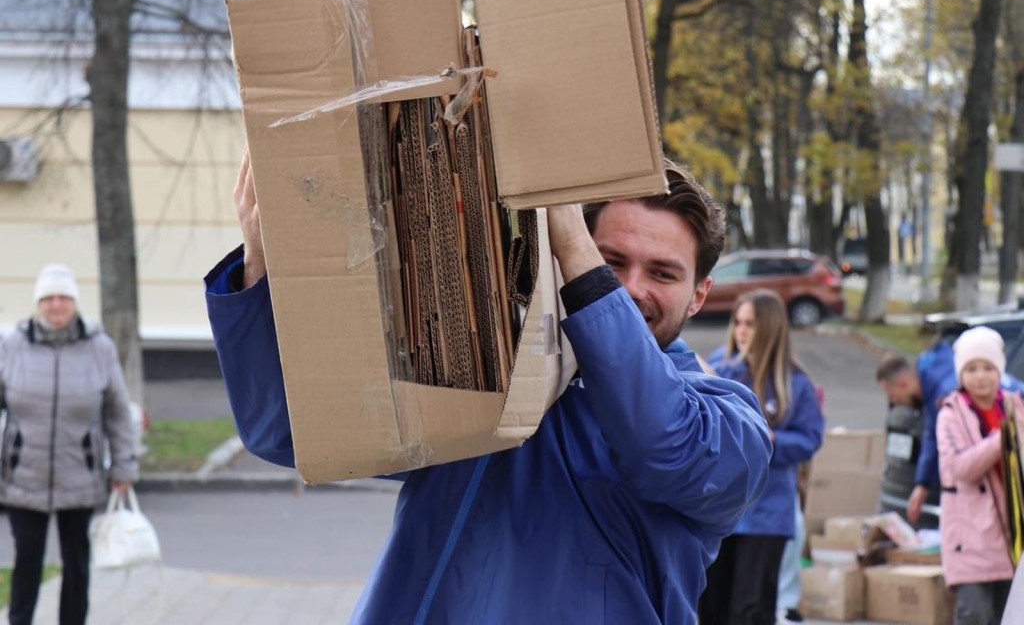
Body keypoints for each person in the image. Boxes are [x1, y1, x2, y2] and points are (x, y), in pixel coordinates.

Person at [205, 152, 772, 624]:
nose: (628, 289)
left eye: (663, 273)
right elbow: (287, 432)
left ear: (699, 296)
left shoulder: (728, 425)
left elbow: (661, 440)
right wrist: (260, 261)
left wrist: (576, 246)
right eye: (610, 261)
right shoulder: (494, 371)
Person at [0, 263, 137, 625]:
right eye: (48, 298)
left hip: (81, 472)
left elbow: (118, 413)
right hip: (22, 475)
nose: (56, 305)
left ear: (74, 303)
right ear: (38, 304)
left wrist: (123, 466)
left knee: (77, 564)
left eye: (63, 297)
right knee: (27, 561)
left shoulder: (99, 348)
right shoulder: (12, 346)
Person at [698, 289, 825, 625]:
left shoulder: (795, 383)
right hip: (720, 509)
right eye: (738, 322)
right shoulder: (719, 369)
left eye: (751, 324)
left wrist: (771, 440)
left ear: (770, 328)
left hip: (767, 514)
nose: (741, 331)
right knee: (710, 605)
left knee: (749, 609)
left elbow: (810, 439)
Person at [937, 326, 1024, 625]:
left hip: (1013, 536)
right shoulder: (950, 414)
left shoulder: (1015, 406)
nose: (980, 376)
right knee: (975, 614)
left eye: (988, 367)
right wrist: (1002, 438)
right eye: (972, 368)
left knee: (1008, 616)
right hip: (970, 537)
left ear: (999, 370)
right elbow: (958, 469)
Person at [877, 339, 959, 525]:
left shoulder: (945, 392)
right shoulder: (932, 382)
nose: (894, 403)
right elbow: (932, 433)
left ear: (903, 383)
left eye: (893, 396)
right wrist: (922, 483)